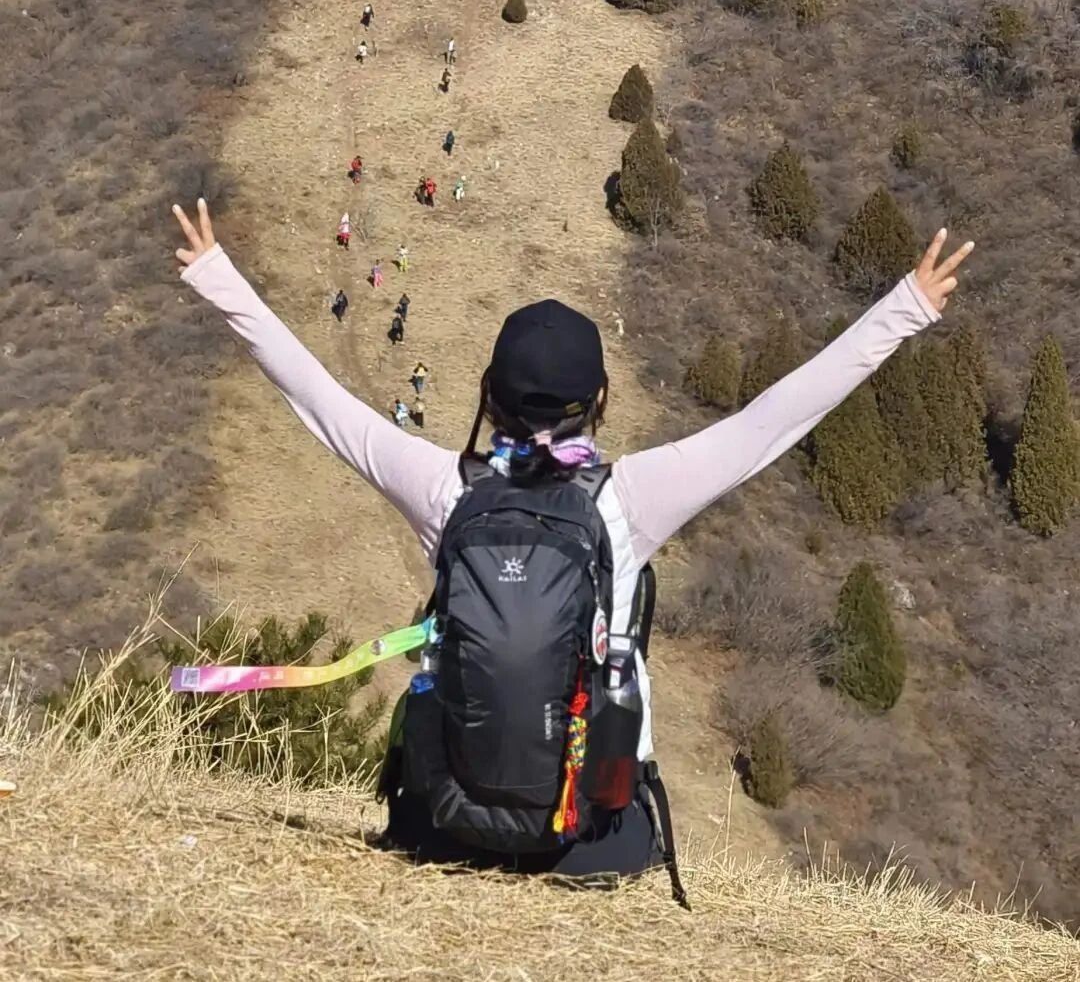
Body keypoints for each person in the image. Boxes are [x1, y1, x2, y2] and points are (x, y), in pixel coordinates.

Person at [171, 198, 973, 901]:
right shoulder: (629, 499)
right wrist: (907, 304)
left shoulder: (445, 491)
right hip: (594, 838)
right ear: (597, 402)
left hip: (444, 824)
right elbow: (773, 419)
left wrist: (219, 277)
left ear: (489, 396)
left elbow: (322, 400)